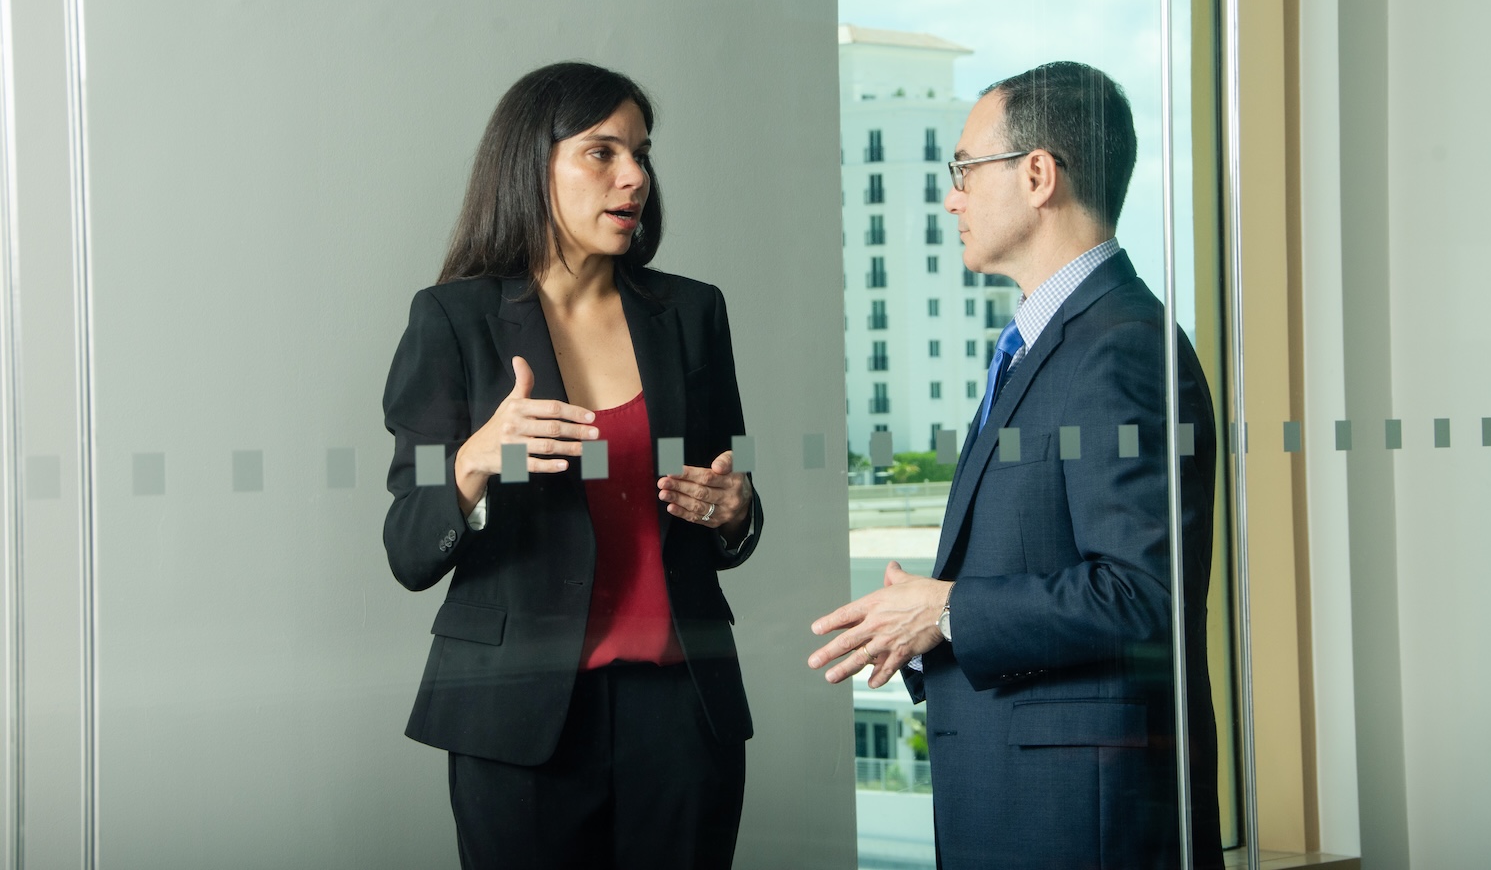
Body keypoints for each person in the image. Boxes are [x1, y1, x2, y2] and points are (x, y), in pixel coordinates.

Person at [808, 62, 1223, 869]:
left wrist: (949, 611)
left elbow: (1146, 593)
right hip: (1032, 799)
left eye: (963, 170)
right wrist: (930, 625)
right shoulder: (1057, 344)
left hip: (1078, 819)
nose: (951, 197)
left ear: (1038, 175)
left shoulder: (1120, 348)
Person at [382, 61, 762, 870]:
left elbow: (740, 472)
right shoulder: (453, 320)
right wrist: (478, 459)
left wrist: (735, 509)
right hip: (516, 719)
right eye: (602, 152)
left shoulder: (694, 313)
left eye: (642, 154)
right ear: (533, 165)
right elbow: (408, 544)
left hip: (682, 712)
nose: (634, 178)